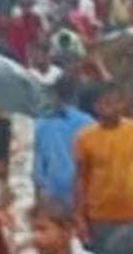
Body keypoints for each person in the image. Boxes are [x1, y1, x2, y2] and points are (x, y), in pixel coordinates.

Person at [72, 81, 133, 254]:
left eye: (117, 102)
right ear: (96, 107)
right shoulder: (84, 138)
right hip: (101, 217)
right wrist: (80, 219)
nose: (113, 108)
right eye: (107, 104)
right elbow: (80, 180)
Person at [32, 75, 94, 209]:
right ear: (75, 95)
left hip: (53, 192)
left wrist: (38, 197)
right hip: (82, 192)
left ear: (54, 94)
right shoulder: (88, 122)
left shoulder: (41, 123)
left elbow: (38, 165)